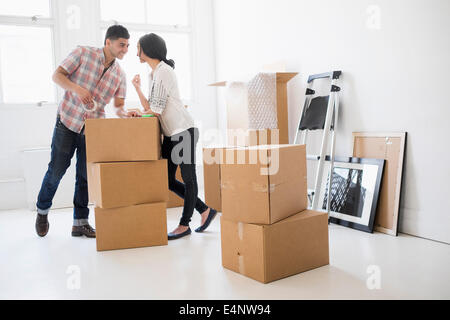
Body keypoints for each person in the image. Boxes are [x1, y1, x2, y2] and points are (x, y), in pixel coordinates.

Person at [35, 25, 134, 238]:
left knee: (85, 177)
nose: (125, 49)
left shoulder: (120, 75)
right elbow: (57, 75)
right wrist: (77, 89)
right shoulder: (83, 53)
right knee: (56, 171)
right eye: (122, 45)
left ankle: (80, 223)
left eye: (127, 45)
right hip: (68, 122)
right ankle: (42, 211)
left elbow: (118, 107)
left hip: (93, 130)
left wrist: (128, 113)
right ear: (108, 42)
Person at [131, 33, 217, 240]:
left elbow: (156, 109)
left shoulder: (164, 72)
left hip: (183, 130)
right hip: (171, 134)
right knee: (168, 180)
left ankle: (184, 225)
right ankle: (205, 210)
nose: (136, 53)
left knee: (188, 179)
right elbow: (150, 107)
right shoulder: (154, 74)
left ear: (148, 49)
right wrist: (137, 88)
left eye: (138, 48)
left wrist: (143, 112)